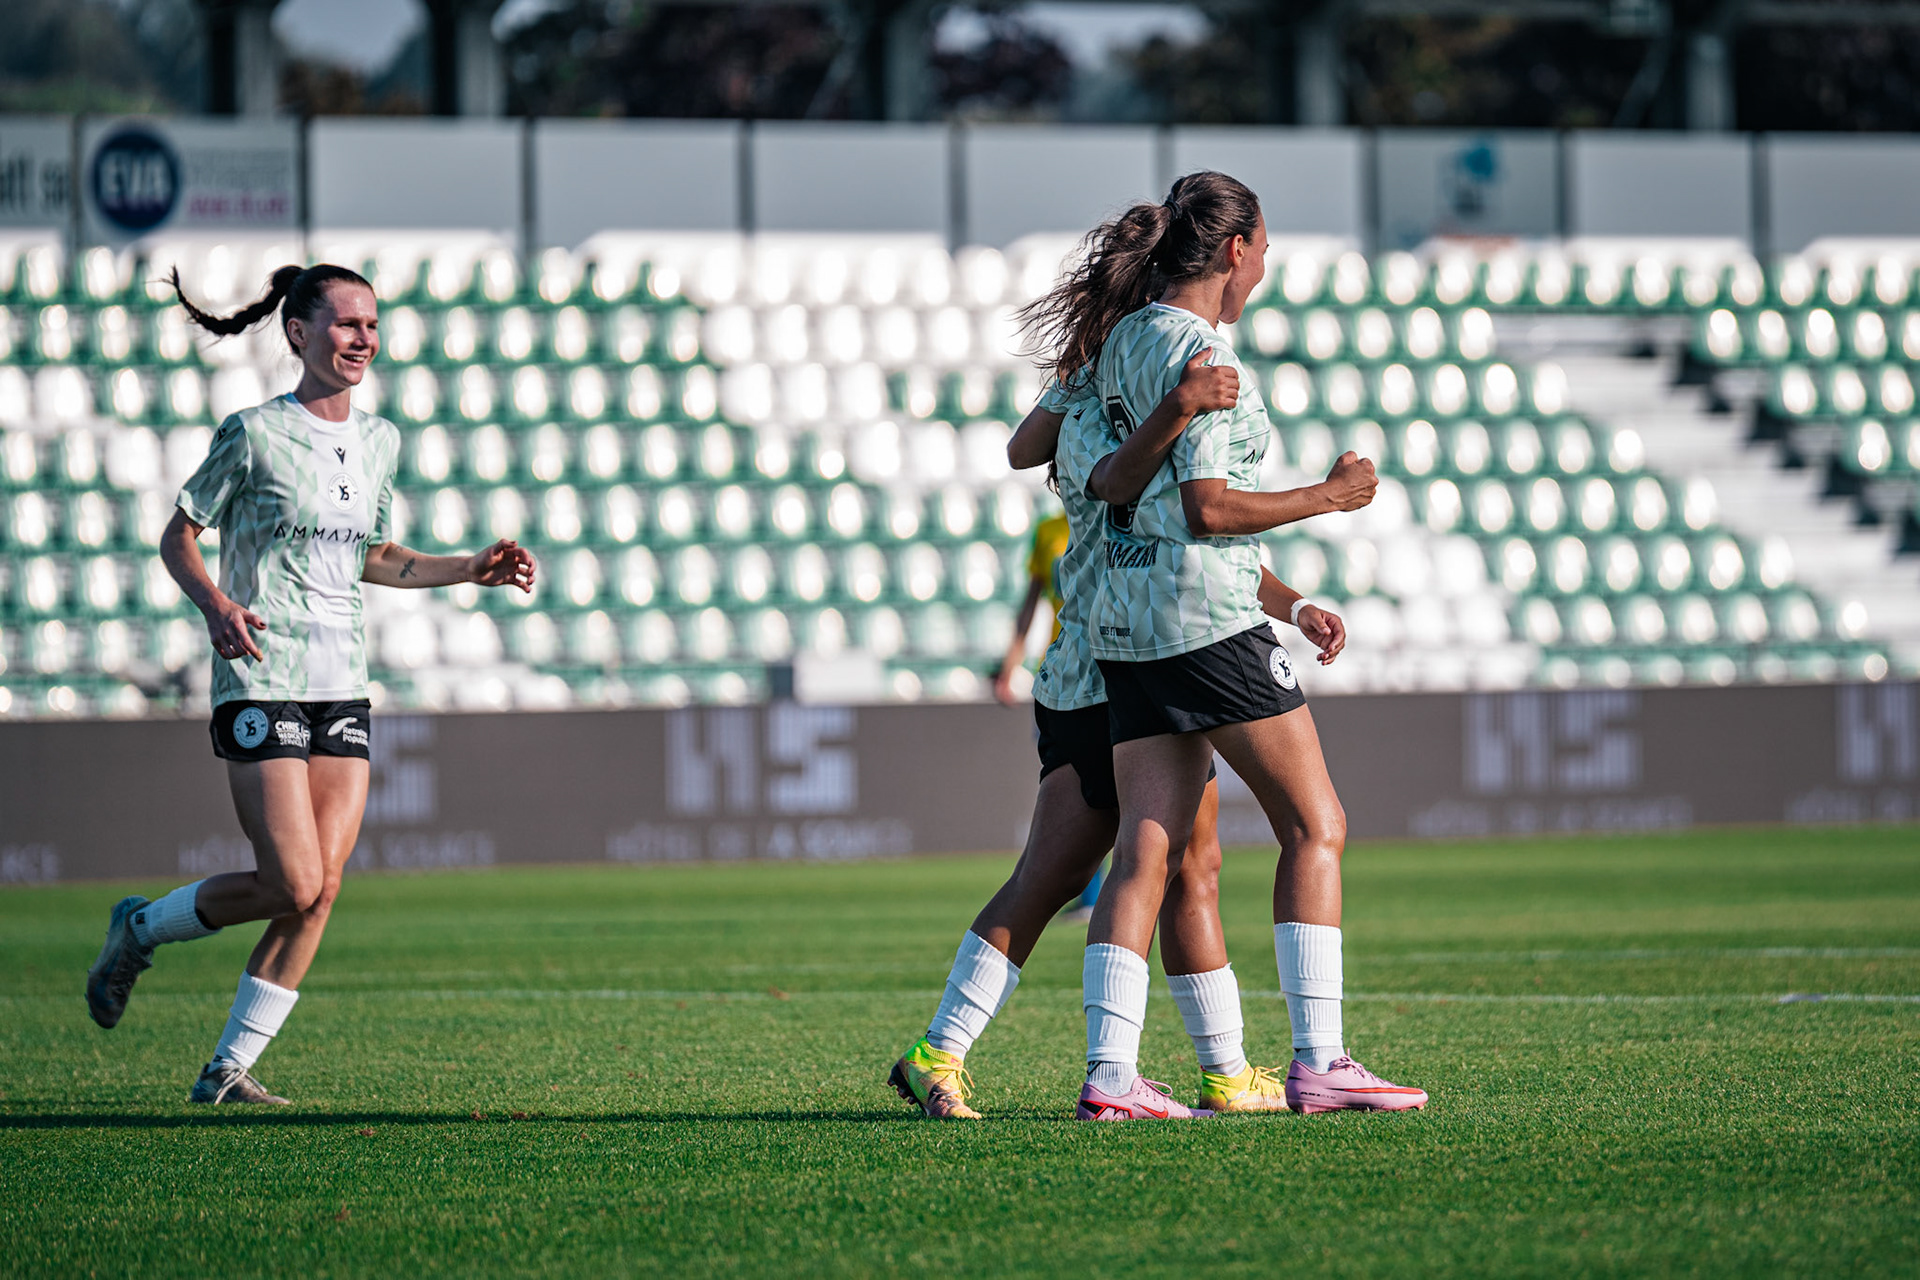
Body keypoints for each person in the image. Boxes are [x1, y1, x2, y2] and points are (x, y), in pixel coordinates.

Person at [1025, 170, 1429, 1119]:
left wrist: (1287, 601)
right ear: (1238, 249)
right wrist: (1326, 497)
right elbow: (1207, 511)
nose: (1267, 265)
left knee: (1146, 856)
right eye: (1267, 247)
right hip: (1206, 621)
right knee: (1314, 825)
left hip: (1126, 627)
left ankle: (1111, 1076)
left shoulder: (1118, 340)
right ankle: (1321, 1060)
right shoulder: (1204, 355)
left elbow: (1116, 487)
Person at [83, 263, 537, 1105]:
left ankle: (227, 1069)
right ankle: (139, 928)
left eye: (372, 325)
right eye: (345, 324)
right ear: (300, 332)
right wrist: (216, 604)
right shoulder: (253, 433)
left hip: (342, 684)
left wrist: (469, 568)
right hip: (263, 675)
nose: (362, 338)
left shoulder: (379, 442)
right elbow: (178, 535)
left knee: (321, 889)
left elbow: (375, 557)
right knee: (290, 881)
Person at [889, 355, 1346, 1121]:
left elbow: (1022, 450)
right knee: (1176, 867)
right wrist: (1180, 402)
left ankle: (941, 1050)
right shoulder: (1157, 397)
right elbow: (1195, 535)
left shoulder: (1095, 384)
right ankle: (1196, 1073)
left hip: (1074, 672)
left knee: (1067, 871)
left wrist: (1294, 606)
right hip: (1138, 666)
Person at [993, 502, 1104, 920]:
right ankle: (1089, 891)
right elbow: (1032, 601)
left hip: (1111, 666)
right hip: (1062, 671)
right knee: (1070, 781)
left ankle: (1097, 894)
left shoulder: (1114, 513)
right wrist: (1010, 665)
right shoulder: (1049, 532)